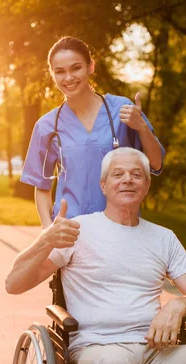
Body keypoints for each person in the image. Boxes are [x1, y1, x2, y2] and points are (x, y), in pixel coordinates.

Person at [6, 147, 186, 364]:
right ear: (103, 185)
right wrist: (45, 241)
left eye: (136, 174)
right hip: (95, 352)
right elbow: (13, 283)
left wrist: (178, 306)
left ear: (147, 185)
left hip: (156, 354)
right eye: (118, 174)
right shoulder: (79, 231)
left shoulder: (163, 238)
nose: (127, 179)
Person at [21, 36, 166, 228]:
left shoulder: (122, 110)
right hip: (71, 232)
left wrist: (142, 127)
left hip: (121, 228)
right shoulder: (47, 126)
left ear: (91, 67)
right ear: (52, 74)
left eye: (76, 68)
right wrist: (48, 229)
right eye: (60, 71)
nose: (68, 77)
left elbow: (156, 163)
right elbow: (41, 187)